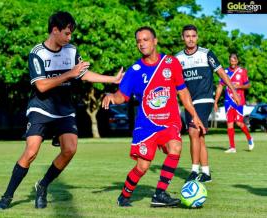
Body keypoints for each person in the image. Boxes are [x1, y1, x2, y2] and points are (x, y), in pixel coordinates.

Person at [0, 11, 123, 210]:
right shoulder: (37, 53)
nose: (70, 38)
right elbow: (42, 86)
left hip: (64, 110)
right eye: (67, 33)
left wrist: (112, 79)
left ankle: (43, 185)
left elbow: (83, 74)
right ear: (55, 31)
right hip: (41, 108)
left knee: (70, 149)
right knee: (30, 152)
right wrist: (69, 73)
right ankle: (7, 196)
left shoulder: (71, 51)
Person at [102, 26, 205, 207]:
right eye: (139, 41)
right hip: (146, 125)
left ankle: (159, 194)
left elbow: (183, 92)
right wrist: (111, 97)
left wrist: (194, 115)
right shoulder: (134, 70)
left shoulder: (171, 63)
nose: (142, 44)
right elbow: (122, 96)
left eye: (145, 39)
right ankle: (124, 195)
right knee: (142, 167)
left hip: (169, 121)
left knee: (175, 146)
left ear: (155, 41)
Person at [175, 24, 241, 183]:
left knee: (192, 131)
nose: (191, 39)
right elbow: (174, 82)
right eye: (187, 36)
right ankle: (206, 173)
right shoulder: (178, 58)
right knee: (199, 136)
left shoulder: (206, 54)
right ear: (183, 38)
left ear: (197, 37)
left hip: (204, 99)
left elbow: (221, 73)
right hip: (189, 102)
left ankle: (193, 171)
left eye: (193, 36)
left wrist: (232, 90)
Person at [214, 53, 254, 153]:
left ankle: (249, 138)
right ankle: (232, 147)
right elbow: (220, 87)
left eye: (234, 60)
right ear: (229, 61)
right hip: (228, 101)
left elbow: (248, 85)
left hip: (239, 101)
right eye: (231, 60)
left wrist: (239, 86)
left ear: (237, 61)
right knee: (230, 123)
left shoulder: (242, 71)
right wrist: (215, 101)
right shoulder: (225, 72)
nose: (233, 62)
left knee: (239, 123)